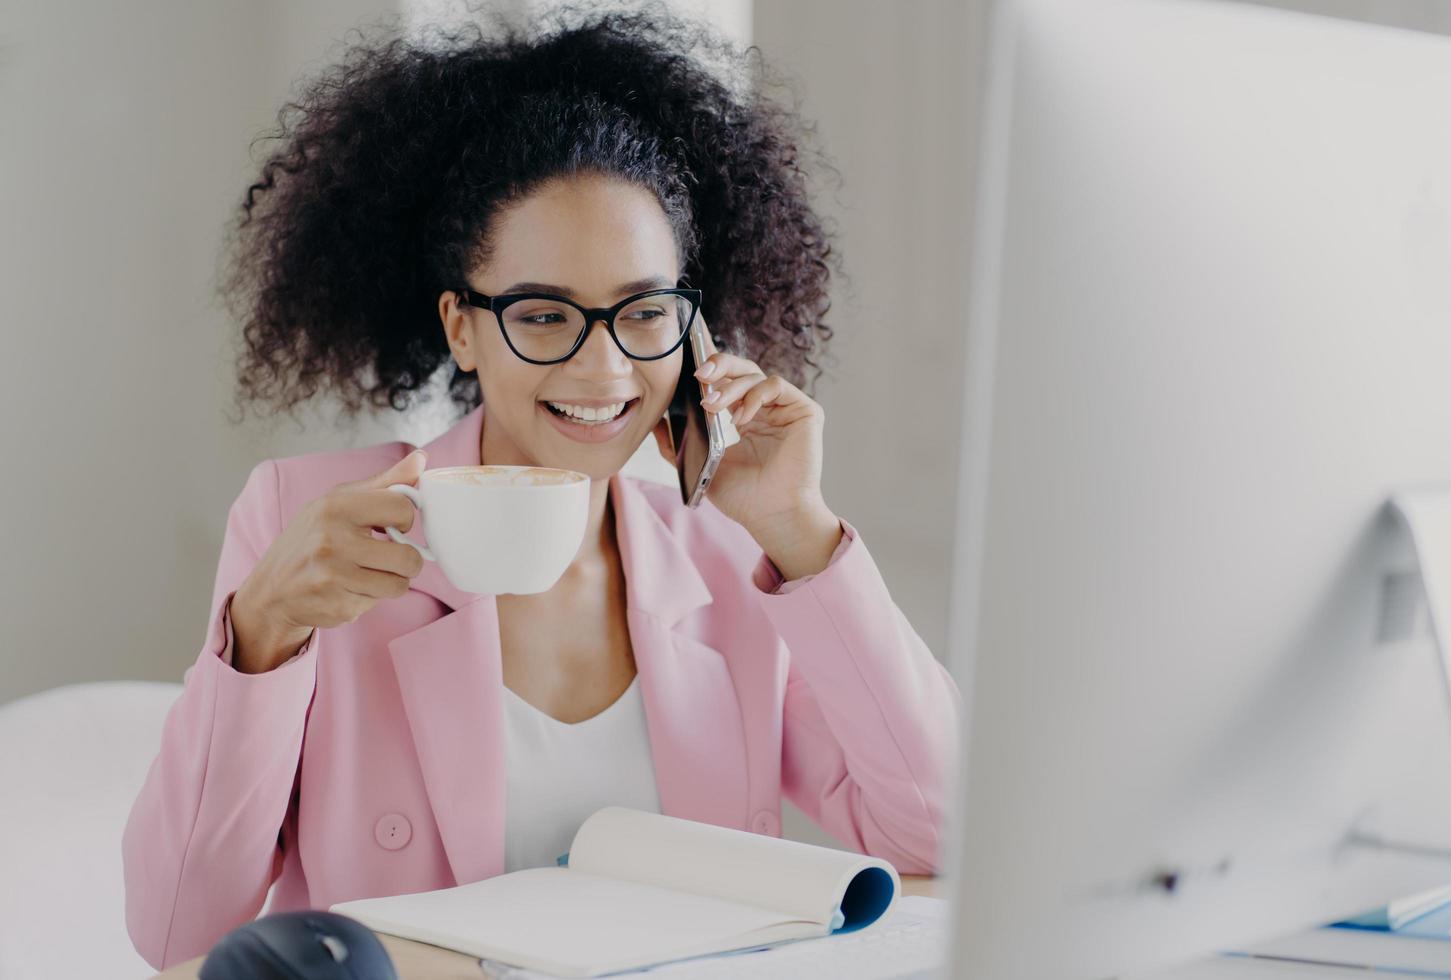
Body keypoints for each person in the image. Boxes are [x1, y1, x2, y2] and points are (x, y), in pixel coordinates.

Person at [122, 4, 959, 970]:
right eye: (544, 313)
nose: (603, 369)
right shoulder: (311, 526)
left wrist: (800, 529)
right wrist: (262, 630)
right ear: (462, 326)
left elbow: (938, 835)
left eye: (644, 312)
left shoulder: (735, 557)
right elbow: (177, 932)